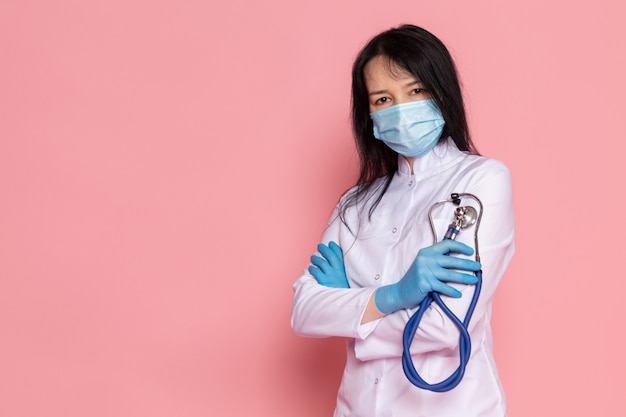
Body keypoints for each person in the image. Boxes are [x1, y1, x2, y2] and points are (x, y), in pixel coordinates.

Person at [291, 24, 515, 417]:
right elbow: (304, 310)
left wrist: (352, 311)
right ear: (370, 115)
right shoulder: (354, 205)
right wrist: (392, 296)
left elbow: (446, 330)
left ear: (442, 93)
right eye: (382, 98)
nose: (399, 108)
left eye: (415, 91)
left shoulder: (481, 181)